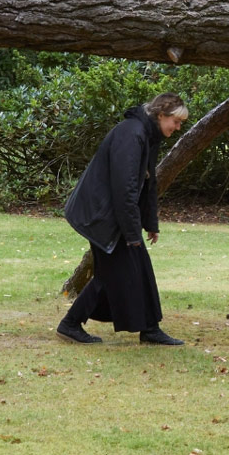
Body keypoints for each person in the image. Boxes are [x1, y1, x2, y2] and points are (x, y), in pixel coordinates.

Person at [56, 93, 189, 346]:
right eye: (176, 121)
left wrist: (150, 224)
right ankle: (71, 324)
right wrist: (131, 235)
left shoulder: (149, 135)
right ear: (161, 115)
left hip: (113, 214)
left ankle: (149, 329)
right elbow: (124, 189)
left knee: (133, 270)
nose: (178, 127)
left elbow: (148, 184)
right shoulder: (132, 134)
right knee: (115, 273)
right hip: (100, 215)